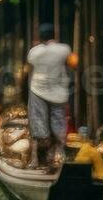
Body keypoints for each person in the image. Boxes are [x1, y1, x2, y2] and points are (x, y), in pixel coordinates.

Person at [26, 23, 72, 167]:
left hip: (38, 91)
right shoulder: (64, 49)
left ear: (40, 37)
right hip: (58, 93)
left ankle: (35, 160)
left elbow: (31, 61)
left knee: (38, 123)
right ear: (54, 35)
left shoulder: (35, 52)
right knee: (58, 121)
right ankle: (59, 156)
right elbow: (70, 61)